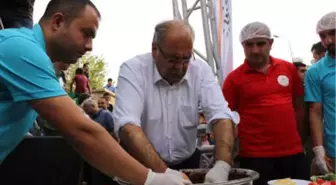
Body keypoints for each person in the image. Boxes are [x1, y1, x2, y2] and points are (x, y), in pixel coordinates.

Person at [0, 1, 189, 185]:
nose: (90, 46)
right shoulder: (23, 50)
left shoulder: (31, 55)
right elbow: (81, 131)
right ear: (58, 22)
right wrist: (151, 179)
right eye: (86, 34)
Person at [113, 20, 239, 183]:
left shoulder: (200, 70)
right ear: (154, 49)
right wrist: (164, 173)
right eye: (172, 60)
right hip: (141, 166)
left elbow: (221, 116)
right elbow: (128, 126)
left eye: (186, 59)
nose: (180, 67)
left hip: (188, 162)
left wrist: (222, 165)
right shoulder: (133, 70)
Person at [222, 22, 309, 185]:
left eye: (260, 43)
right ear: (243, 45)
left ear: (270, 43)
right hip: (256, 158)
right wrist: (227, 157)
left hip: (293, 154)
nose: (255, 50)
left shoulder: (288, 68)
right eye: (249, 44)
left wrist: (299, 141)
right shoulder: (233, 79)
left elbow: (299, 107)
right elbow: (226, 120)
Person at [305, 11, 336, 175]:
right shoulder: (316, 71)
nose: (328, 41)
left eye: (333, 33)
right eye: (323, 36)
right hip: (334, 151)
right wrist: (319, 151)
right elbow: (315, 112)